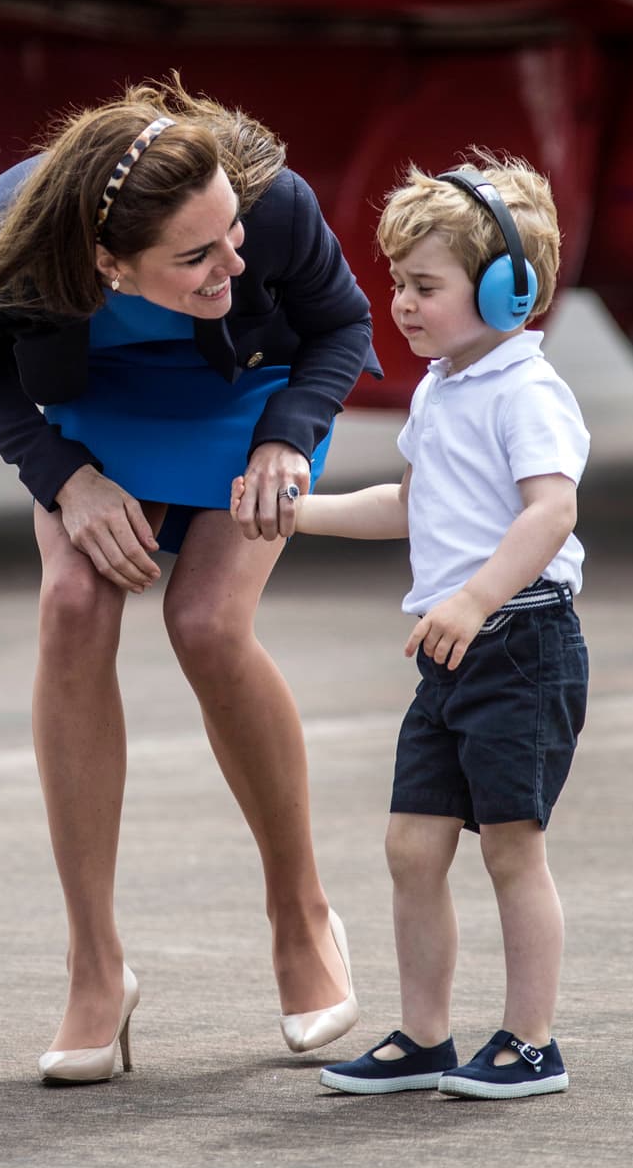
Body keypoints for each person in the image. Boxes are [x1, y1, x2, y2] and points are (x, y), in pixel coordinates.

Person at [0, 77, 380, 1084]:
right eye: (195, 257)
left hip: (247, 405)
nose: (231, 262)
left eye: (230, 235)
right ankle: (93, 963)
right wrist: (63, 479)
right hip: (95, 415)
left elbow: (341, 325)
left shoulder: (266, 202)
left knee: (204, 622)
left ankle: (300, 913)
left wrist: (290, 440)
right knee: (70, 606)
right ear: (105, 262)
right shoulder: (18, 235)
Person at [235, 153, 588, 1100]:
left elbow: (550, 511)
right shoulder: (442, 390)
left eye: (425, 285)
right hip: (450, 651)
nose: (402, 303)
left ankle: (530, 1040)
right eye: (398, 283)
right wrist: (297, 512)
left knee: (513, 846)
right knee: (411, 845)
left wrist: (473, 599)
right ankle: (427, 1036)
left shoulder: (525, 391)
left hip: (520, 641)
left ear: (509, 288)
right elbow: (414, 503)